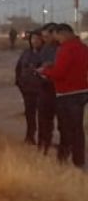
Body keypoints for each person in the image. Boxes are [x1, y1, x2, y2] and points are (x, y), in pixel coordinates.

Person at [39, 23, 88, 167]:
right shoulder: (84, 48)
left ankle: (65, 159)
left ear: (64, 34)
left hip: (67, 94)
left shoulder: (66, 49)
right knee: (77, 128)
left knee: (66, 129)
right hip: (82, 92)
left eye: (58, 37)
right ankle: (79, 160)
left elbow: (59, 73)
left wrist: (44, 72)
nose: (57, 40)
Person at [15, 31, 46, 145]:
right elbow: (18, 68)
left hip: (42, 89)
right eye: (33, 39)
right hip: (27, 89)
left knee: (43, 116)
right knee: (29, 114)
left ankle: (43, 139)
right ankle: (30, 136)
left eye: (37, 39)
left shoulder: (46, 54)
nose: (34, 41)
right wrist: (19, 82)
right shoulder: (26, 53)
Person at [37, 23, 61, 154]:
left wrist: (50, 65)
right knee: (44, 120)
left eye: (47, 36)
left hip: (59, 88)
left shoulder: (63, 48)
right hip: (45, 87)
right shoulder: (45, 48)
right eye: (43, 37)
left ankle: (64, 149)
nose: (44, 39)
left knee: (64, 122)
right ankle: (44, 144)